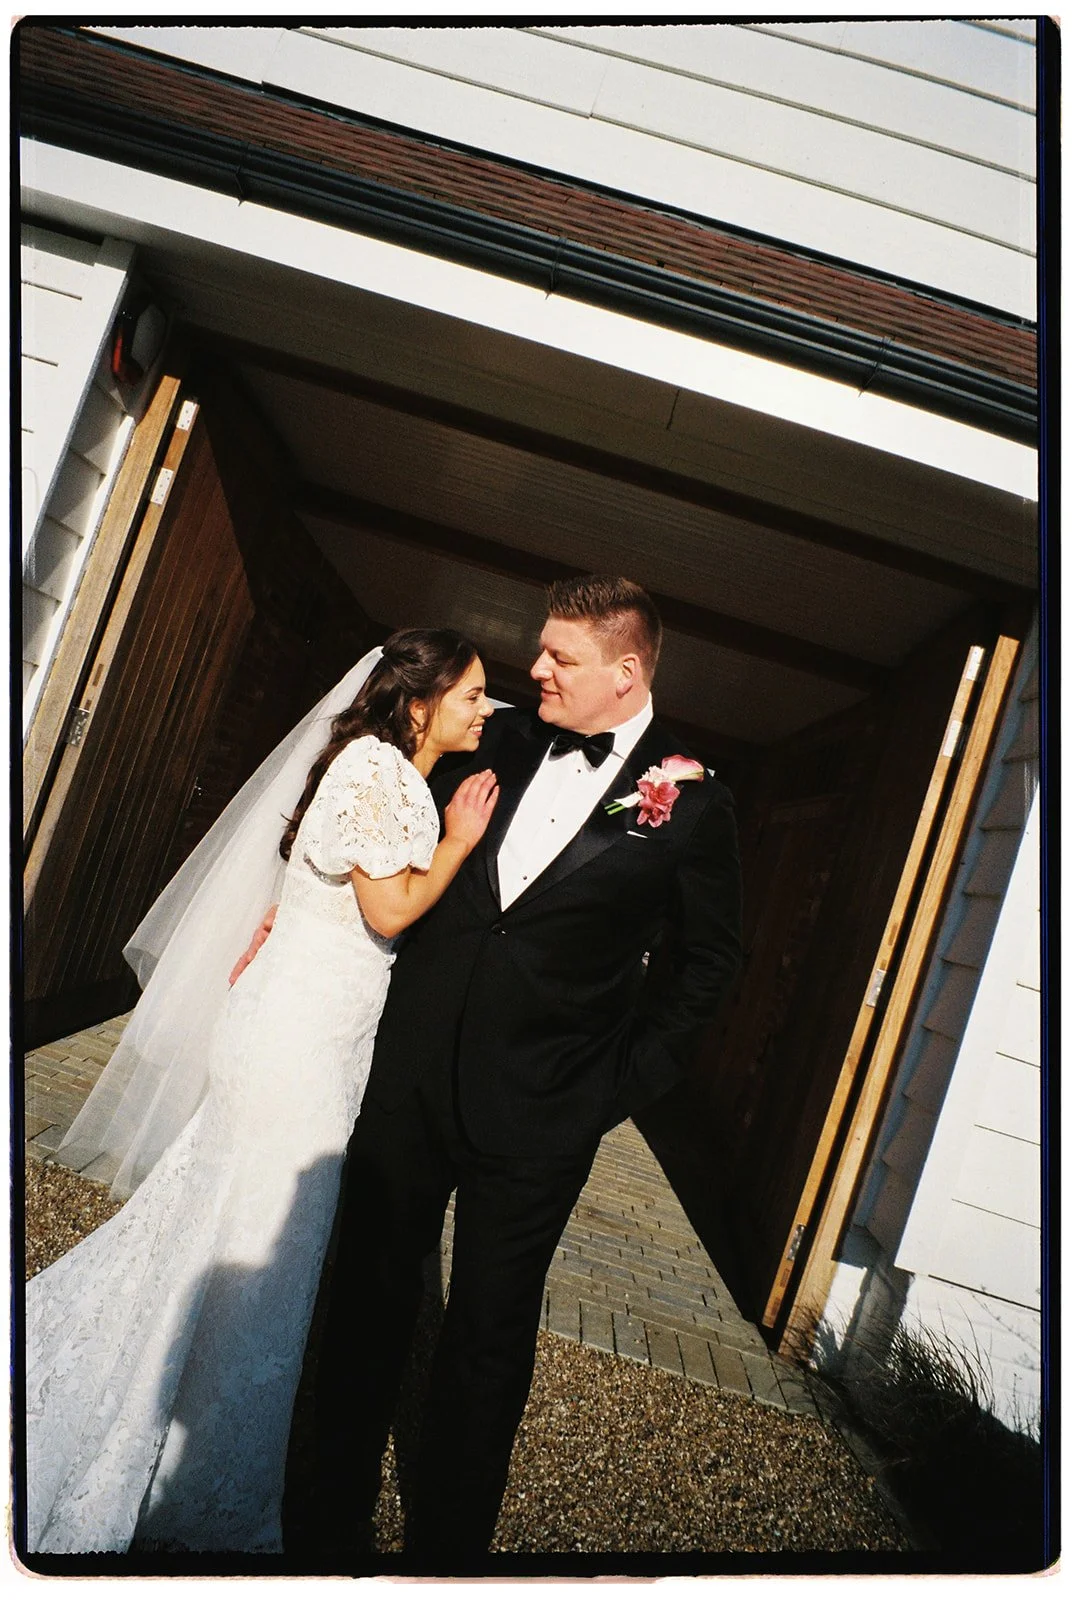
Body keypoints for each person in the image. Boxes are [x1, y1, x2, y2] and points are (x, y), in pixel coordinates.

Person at [23, 629, 498, 1556]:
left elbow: (324, 891)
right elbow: (388, 909)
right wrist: (461, 841)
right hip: (298, 1045)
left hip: (300, 1026)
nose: (487, 708)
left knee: (230, 1221)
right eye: (474, 693)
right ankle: (193, 1477)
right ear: (419, 703)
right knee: (264, 1238)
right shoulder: (387, 773)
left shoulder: (375, 765)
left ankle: (175, 1417)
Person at [307, 575, 742, 1567]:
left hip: (546, 1111)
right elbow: (374, 818)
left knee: (487, 1335)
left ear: (627, 673)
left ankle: (449, 1552)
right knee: (369, 1296)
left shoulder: (692, 802)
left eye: (561, 658)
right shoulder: (495, 733)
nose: (533, 668)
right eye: (540, 649)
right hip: (413, 1072)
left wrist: (614, 1087)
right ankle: (321, 1518)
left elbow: (710, 963)